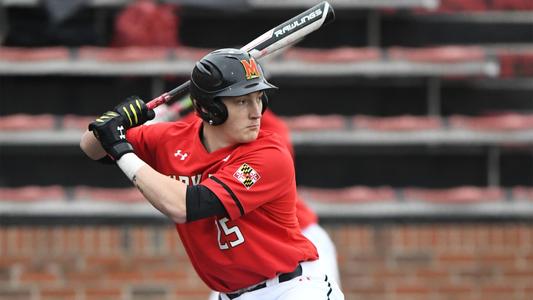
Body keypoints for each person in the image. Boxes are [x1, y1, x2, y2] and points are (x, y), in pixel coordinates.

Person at [80, 48, 344, 300]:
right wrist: (111, 124)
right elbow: (92, 148)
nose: (256, 113)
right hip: (230, 292)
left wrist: (122, 150)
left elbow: (185, 205)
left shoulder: (269, 154)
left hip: (290, 288)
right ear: (210, 109)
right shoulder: (173, 138)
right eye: (242, 101)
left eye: (258, 99)